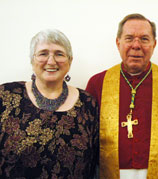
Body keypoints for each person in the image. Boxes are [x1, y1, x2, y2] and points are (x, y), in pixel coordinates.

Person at [85, 13, 158, 179]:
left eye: (144, 39)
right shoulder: (98, 83)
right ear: (118, 43)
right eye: (129, 38)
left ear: (154, 44)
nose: (136, 45)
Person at [0, 29, 99, 178]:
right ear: (32, 60)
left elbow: (94, 163)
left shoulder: (88, 103)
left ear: (70, 60)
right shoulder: (5, 96)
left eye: (59, 54)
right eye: (43, 53)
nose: (51, 61)